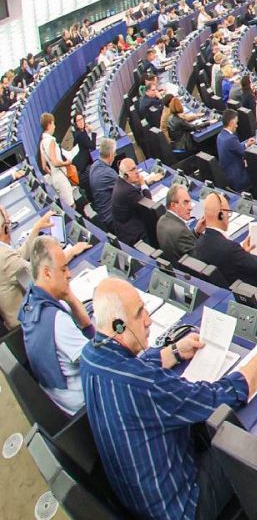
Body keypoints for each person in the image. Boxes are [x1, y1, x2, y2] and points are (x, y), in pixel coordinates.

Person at [79, 275, 257, 520]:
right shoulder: (144, 385)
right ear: (118, 326)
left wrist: (174, 352)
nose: (148, 321)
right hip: (184, 512)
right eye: (139, 314)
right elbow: (221, 396)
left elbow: (137, 366)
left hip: (138, 500)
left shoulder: (91, 354)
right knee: (249, 438)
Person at [18, 235, 94, 411]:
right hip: (84, 406)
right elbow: (101, 362)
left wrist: (70, 298)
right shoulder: (58, 322)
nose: (69, 274)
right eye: (64, 269)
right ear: (46, 272)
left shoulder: (31, 300)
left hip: (59, 399)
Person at [191, 193, 257, 291]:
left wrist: (242, 254)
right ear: (221, 215)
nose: (229, 217)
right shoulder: (229, 248)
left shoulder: (198, 243)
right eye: (228, 212)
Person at [0, 210, 63, 329]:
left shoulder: (3, 252)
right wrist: (70, 252)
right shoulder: (3, 257)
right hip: (26, 324)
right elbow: (41, 272)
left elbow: (18, 255)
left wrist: (36, 229)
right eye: (8, 222)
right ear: (5, 228)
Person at [110, 158, 150, 246]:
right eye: (132, 170)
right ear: (125, 175)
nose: (137, 172)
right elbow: (149, 205)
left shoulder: (121, 183)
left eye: (135, 168)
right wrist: (143, 184)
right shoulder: (127, 191)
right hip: (134, 237)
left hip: (124, 229)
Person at [155, 184, 198, 264]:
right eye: (185, 202)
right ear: (173, 205)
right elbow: (198, 260)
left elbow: (182, 245)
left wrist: (196, 232)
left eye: (190, 202)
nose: (190, 207)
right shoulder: (181, 231)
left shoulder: (161, 220)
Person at [38, 112, 75, 206]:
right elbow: (55, 162)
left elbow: (44, 166)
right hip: (60, 178)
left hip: (55, 178)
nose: (54, 126)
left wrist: (52, 174)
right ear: (49, 124)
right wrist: (66, 163)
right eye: (53, 124)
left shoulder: (42, 143)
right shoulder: (51, 141)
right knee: (71, 206)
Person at [214, 109, 252, 192]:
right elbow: (244, 153)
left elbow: (236, 148)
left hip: (228, 176)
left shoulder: (220, 136)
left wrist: (246, 144)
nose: (237, 125)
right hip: (239, 178)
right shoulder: (231, 138)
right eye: (236, 123)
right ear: (231, 123)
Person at [88, 136, 121, 219]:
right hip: (113, 217)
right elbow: (127, 188)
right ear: (110, 154)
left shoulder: (93, 166)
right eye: (114, 153)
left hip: (102, 213)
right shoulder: (109, 173)